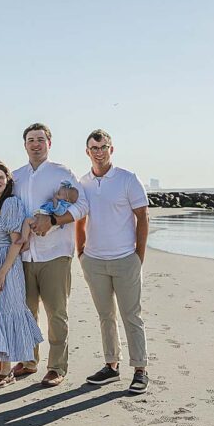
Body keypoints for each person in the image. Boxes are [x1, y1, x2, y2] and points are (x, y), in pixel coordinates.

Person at [12, 123, 88, 386]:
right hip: (24, 256)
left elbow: (82, 205)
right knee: (26, 311)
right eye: (31, 140)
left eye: (40, 140)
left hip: (55, 253)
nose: (36, 144)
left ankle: (56, 367)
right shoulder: (16, 176)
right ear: (25, 145)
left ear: (49, 144)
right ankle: (29, 360)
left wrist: (54, 220)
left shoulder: (61, 172)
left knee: (57, 313)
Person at [76, 129, 150, 396]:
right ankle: (111, 365)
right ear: (87, 152)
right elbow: (80, 219)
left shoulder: (127, 179)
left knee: (132, 315)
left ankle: (140, 370)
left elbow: (142, 216)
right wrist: (81, 252)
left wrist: (138, 256)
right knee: (105, 315)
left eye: (103, 147)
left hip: (124, 259)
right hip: (94, 261)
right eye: (94, 148)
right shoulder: (82, 182)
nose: (99, 152)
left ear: (111, 149)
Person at [0, 161, 43, 388]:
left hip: (6, 264)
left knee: (5, 313)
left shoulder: (10, 203)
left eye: (1, 178)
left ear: (8, 182)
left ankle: (7, 370)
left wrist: (2, 273)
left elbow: (17, 242)